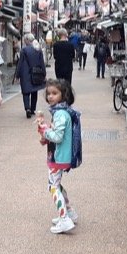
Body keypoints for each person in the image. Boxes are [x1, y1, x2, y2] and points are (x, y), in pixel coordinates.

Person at [35, 78, 78, 234]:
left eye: (55, 93)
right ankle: (69, 213)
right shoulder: (62, 111)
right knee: (57, 185)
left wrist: (44, 130)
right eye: (48, 94)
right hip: (59, 155)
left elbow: (58, 137)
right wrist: (46, 130)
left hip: (58, 157)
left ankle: (64, 218)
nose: (50, 97)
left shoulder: (60, 114)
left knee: (52, 187)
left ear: (63, 94)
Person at [16, 33, 47, 118]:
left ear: (27, 40)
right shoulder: (38, 49)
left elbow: (20, 63)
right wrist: (44, 73)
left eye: (24, 40)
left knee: (26, 92)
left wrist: (17, 75)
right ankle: (33, 109)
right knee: (34, 91)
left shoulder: (24, 50)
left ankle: (27, 108)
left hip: (25, 73)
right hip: (36, 73)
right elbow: (42, 63)